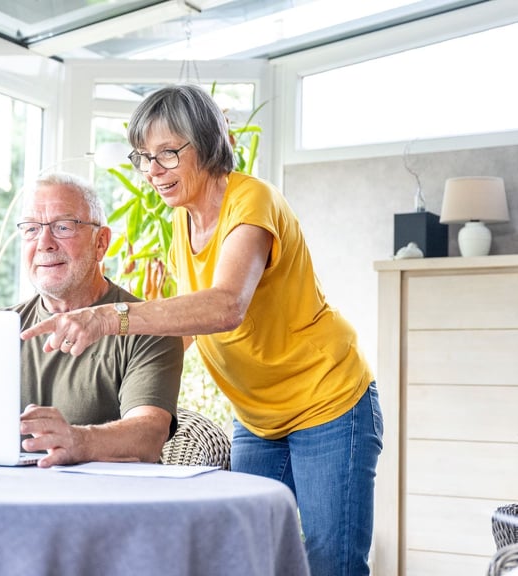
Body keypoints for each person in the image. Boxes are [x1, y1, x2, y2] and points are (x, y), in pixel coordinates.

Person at [20, 85, 382, 576]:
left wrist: (108, 319)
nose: (152, 171)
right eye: (144, 158)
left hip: (328, 402)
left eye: (167, 154)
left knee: (329, 561)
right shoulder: (182, 225)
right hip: (257, 416)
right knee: (247, 554)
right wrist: (137, 375)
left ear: (208, 143)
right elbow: (182, 327)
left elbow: (226, 305)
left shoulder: (252, 202)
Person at [11, 172, 184, 469]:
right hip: (4, 499)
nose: (44, 243)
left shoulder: (149, 328)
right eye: (30, 229)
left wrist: (78, 441)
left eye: (63, 227)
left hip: (109, 506)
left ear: (101, 243)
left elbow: (148, 436)